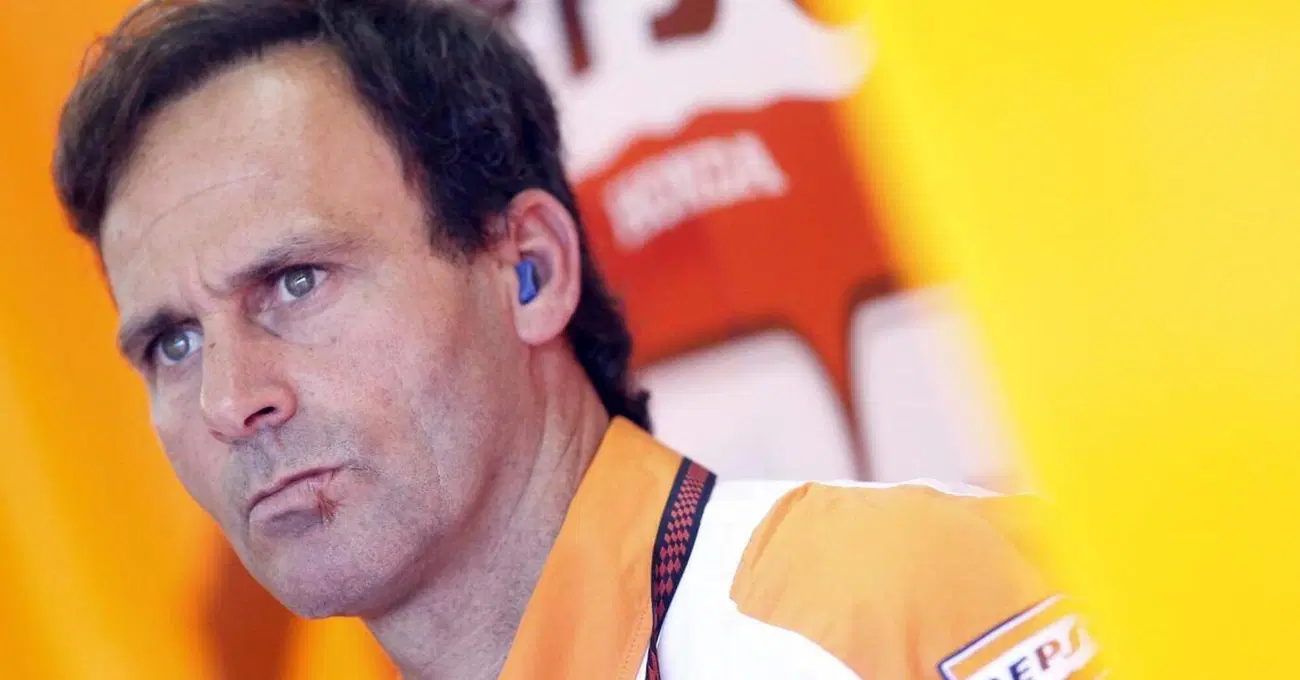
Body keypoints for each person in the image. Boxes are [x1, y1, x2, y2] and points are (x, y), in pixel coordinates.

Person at [52, 1, 1102, 678]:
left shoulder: (902, 602)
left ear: (529, 270)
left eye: (295, 282)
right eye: (172, 344)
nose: (231, 399)